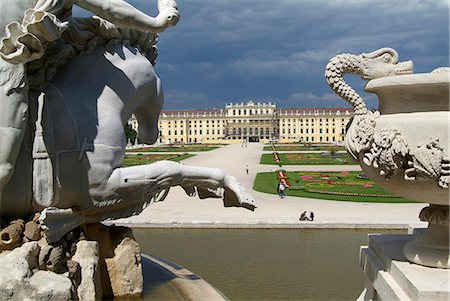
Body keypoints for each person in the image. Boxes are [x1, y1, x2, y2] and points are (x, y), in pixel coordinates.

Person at [0, 0, 178, 203]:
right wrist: (156, 23)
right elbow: (109, 8)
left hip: (18, 69)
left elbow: (109, 7)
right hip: (7, 73)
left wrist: (155, 24)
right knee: (2, 168)